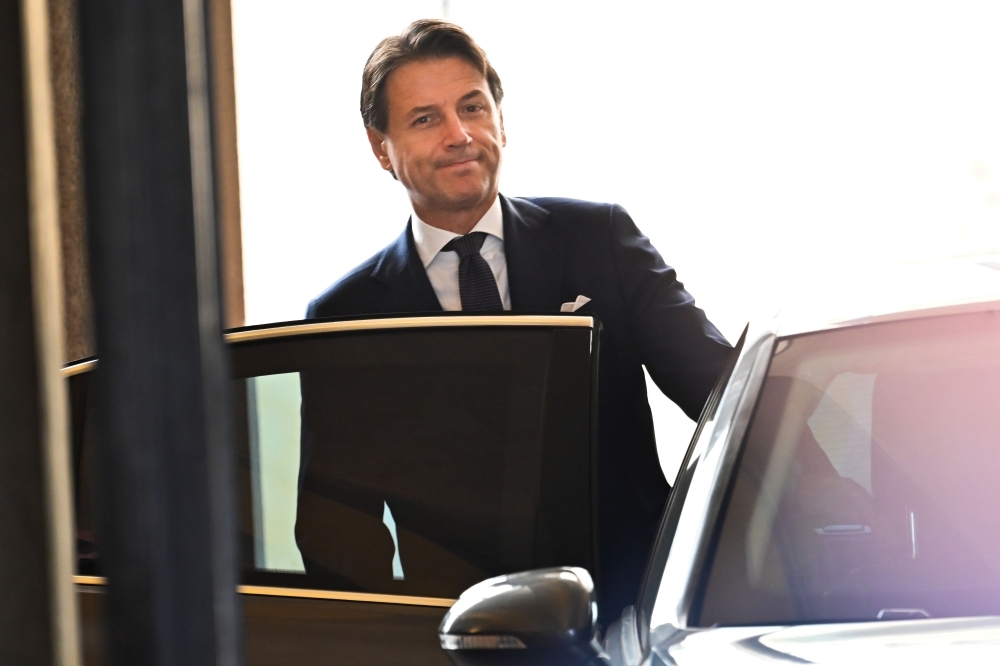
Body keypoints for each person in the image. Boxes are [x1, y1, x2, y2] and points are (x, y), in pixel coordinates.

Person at [304, 18, 732, 623]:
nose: (460, 135)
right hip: (460, 639)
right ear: (382, 149)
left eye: (472, 107)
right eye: (425, 118)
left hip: (635, 621)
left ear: (501, 120)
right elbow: (338, 531)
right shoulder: (346, 317)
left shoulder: (600, 239)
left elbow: (722, 393)